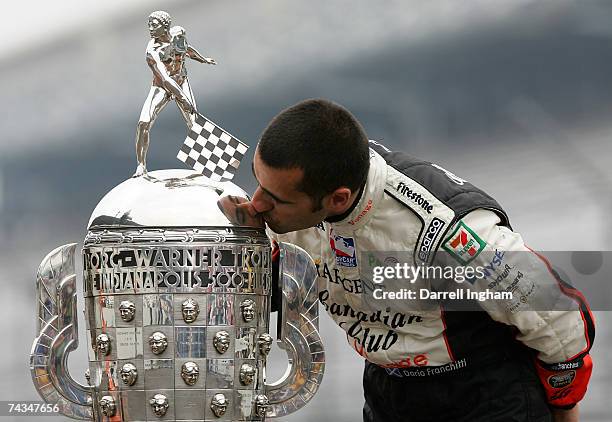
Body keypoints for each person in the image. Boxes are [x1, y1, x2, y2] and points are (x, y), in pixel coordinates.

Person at [235, 98, 594, 421]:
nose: (257, 202)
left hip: (482, 392)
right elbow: (273, 299)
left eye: (275, 199)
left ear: (338, 199)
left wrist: (563, 405)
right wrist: (245, 247)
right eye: (258, 181)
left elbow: (559, 316)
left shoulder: (444, 229)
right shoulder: (285, 208)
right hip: (388, 389)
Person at [134, 10, 216, 176]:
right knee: (143, 122)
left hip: (181, 81)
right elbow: (164, 79)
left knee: (194, 122)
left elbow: (187, 49)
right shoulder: (152, 51)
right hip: (162, 87)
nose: (150, 28)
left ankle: (206, 163)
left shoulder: (178, 35)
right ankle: (141, 166)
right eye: (149, 24)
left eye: (154, 25)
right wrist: (182, 98)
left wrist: (203, 59)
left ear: (165, 26)